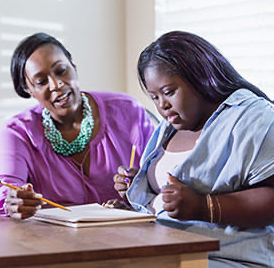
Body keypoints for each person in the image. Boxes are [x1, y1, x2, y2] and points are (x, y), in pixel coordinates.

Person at [111, 31, 274, 267]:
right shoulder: (169, 126)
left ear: (200, 77)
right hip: (167, 249)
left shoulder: (254, 119)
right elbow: (171, 194)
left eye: (168, 92)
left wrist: (204, 207)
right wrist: (138, 187)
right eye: (154, 97)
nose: (162, 105)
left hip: (226, 258)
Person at [0, 32, 155, 220]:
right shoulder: (18, 132)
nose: (56, 84)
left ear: (74, 67)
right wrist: (13, 202)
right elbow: (3, 197)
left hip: (129, 238)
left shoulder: (127, 110)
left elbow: (159, 178)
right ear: (28, 90)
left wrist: (141, 187)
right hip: (56, 243)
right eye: (41, 81)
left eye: (61, 70)